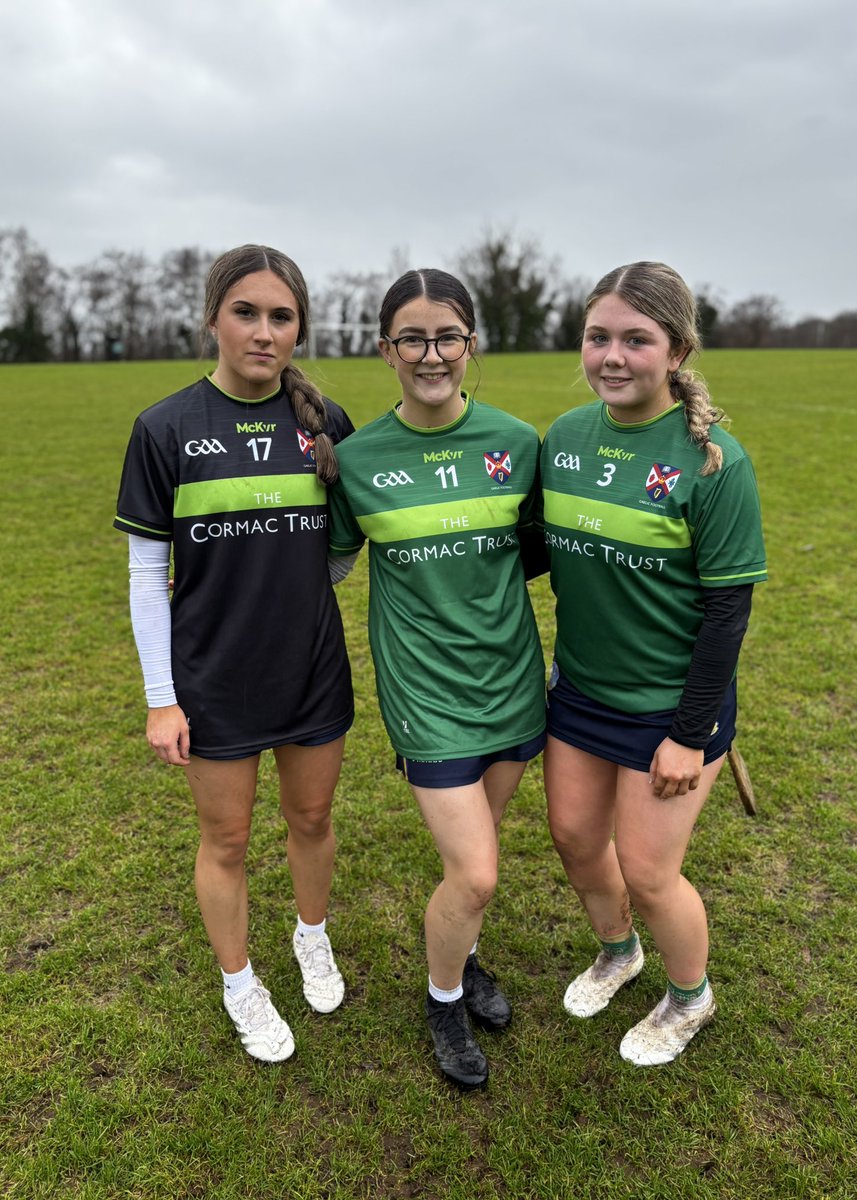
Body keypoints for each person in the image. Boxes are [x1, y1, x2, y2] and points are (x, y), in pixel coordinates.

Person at [114, 244, 354, 1062]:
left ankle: (311, 936)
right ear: (212, 318)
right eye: (245, 313)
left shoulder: (327, 424)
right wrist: (160, 695)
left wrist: (303, 591)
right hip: (212, 677)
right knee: (227, 842)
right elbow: (149, 577)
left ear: (300, 329)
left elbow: (343, 542)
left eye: (281, 316)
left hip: (312, 665)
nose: (263, 332)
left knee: (313, 818)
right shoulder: (165, 427)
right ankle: (239, 983)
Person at [540, 261, 767, 1065]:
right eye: (598, 336)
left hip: (672, 708)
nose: (612, 355)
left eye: (636, 340)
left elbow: (728, 611)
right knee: (572, 836)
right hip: (581, 690)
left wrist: (690, 731)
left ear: (676, 351)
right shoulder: (565, 439)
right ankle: (617, 951)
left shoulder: (714, 463)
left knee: (648, 868)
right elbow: (534, 548)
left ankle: (689, 996)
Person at [328, 269, 546, 1089]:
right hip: (427, 697)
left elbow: (552, 550)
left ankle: (467, 954)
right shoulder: (354, 460)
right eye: (411, 338)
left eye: (446, 336)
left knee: (477, 859)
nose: (431, 355)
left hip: (514, 685)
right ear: (386, 350)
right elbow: (324, 570)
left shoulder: (520, 444)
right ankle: (443, 999)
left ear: (470, 344)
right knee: (477, 871)